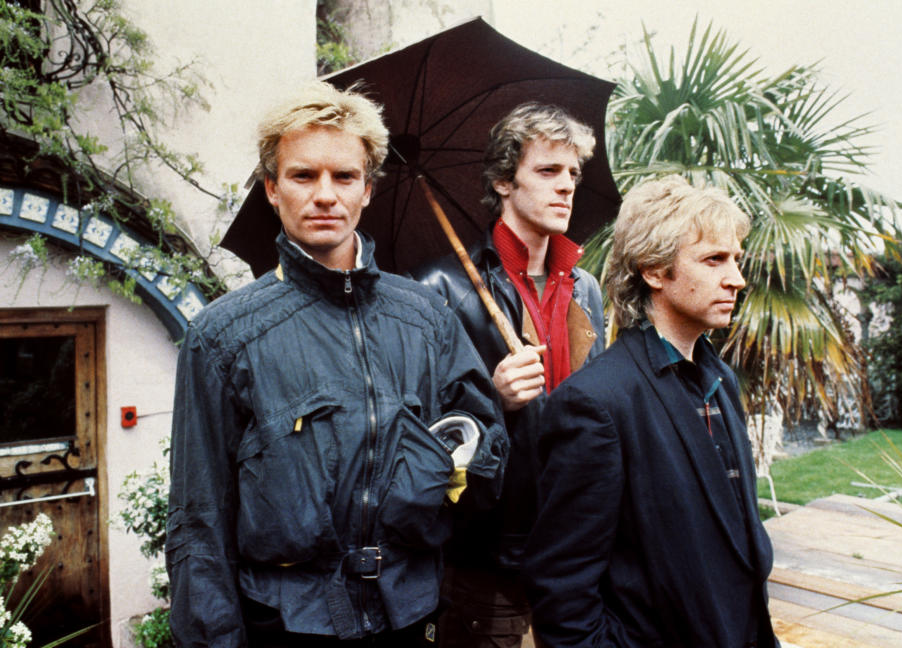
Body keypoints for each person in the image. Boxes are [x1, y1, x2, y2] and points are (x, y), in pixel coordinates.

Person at [166, 81, 508, 647]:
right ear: (272, 189)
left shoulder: (427, 317)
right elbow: (198, 521)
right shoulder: (222, 336)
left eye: (344, 176)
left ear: (368, 189)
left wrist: (474, 451)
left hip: (410, 612)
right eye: (303, 176)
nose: (325, 194)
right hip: (289, 623)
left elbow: (483, 466)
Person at [524, 175, 779, 647]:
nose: (737, 280)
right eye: (713, 260)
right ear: (654, 271)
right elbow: (563, 596)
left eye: (736, 260)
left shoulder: (721, 382)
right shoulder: (596, 404)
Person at [414, 103, 606, 647]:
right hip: (487, 558)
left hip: (575, 551)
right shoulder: (439, 288)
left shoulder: (586, 289)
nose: (566, 187)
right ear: (503, 180)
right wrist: (491, 400)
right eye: (547, 172)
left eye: (572, 173)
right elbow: (412, 435)